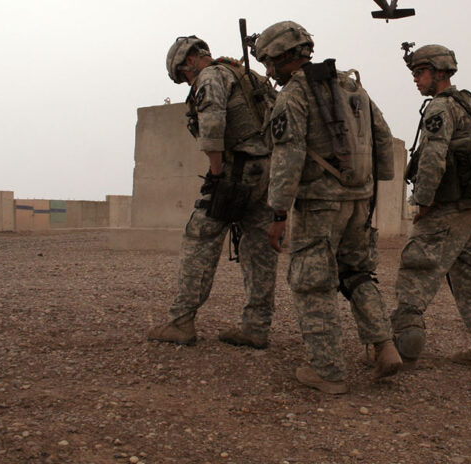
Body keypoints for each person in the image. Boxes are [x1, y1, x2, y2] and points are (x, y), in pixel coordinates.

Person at [254, 21, 401, 395]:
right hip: (358, 201)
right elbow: (383, 139)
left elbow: (288, 155)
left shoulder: (295, 93)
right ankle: (384, 345)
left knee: (311, 283)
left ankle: (328, 371)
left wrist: (277, 214)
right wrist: (369, 190)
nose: (269, 72)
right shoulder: (351, 84)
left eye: (270, 63)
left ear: (286, 56)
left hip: (319, 205)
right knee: (358, 274)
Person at [148, 35, 278, 349]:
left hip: (236, 173)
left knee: (200, 239)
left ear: (190, 60)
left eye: (183, 76)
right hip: (268, 171)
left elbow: (213, 127)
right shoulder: (245, 75)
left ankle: (181, 322)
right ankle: (256, 327)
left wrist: (217, 176)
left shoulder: (210, 78)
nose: (187, 82)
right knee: (259, 249)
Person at [392, 44, 471, 372]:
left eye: (419, 72)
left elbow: (432, 157)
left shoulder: (440, 108)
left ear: (439, 73)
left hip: (448, 206)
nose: (415, 79)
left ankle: (403, 347)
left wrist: (423, 202)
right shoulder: (470, 104)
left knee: (417, 268)